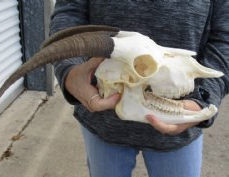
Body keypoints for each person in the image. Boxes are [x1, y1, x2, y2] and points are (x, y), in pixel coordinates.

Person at [49, 1, 229, 177]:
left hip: (183, 124)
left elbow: (224, 36)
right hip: (102, 121)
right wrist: (69, 70)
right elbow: (70, 14)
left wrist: (204, 96)